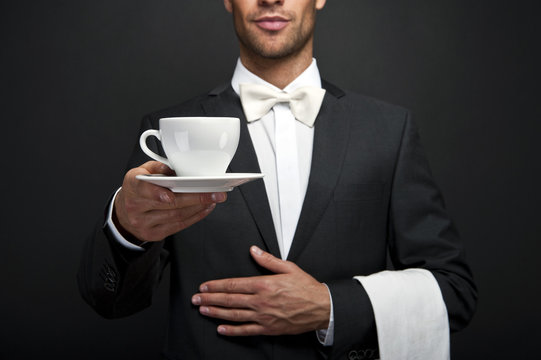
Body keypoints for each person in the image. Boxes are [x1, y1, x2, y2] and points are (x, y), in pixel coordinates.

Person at [78, 0, 477, 359]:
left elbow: (453, 292)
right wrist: (126, 229)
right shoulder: (169, 130)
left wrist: (330, 306)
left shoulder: (389, 130)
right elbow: (110, 302)